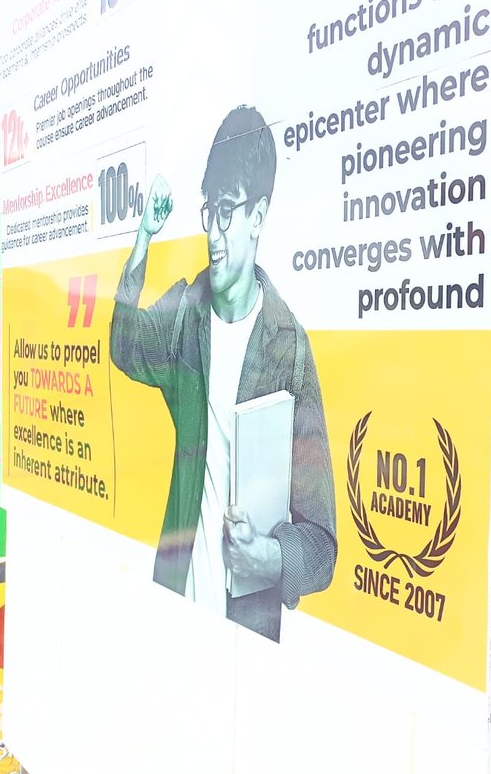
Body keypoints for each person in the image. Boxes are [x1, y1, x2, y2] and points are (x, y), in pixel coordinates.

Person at [111, 105, 337, 641]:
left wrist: (271, 558)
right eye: (210, 210)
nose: (214, 232)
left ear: (258, 216)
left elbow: (321, 545)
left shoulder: (289, 349)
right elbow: (124, 346)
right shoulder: (186, 314)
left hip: (245, 636)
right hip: (173, 603)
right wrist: (143, 238)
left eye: (228, 211)